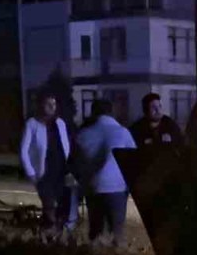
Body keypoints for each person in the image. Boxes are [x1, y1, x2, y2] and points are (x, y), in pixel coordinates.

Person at [73, 100, 137, 243]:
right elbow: (133, 159)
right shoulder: (122, 132)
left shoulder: (83, 134)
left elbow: (76, 163)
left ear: (94, 113)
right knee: (117, 232)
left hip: (93, 188)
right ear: (111, 112)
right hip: (117, 187)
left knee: (96, 230)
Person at [20, 92, 71, 230]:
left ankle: (58, 232)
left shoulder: (60, 123)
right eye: (48, 103)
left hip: (60, 171)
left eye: (54, 104)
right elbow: (24, 150)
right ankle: (48, 231)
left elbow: (66, 147)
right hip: (43, 173)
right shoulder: (32, 124)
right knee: (49, 205)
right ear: (41, 105)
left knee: (63, 205)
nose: (51, 107)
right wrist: (30, 172)